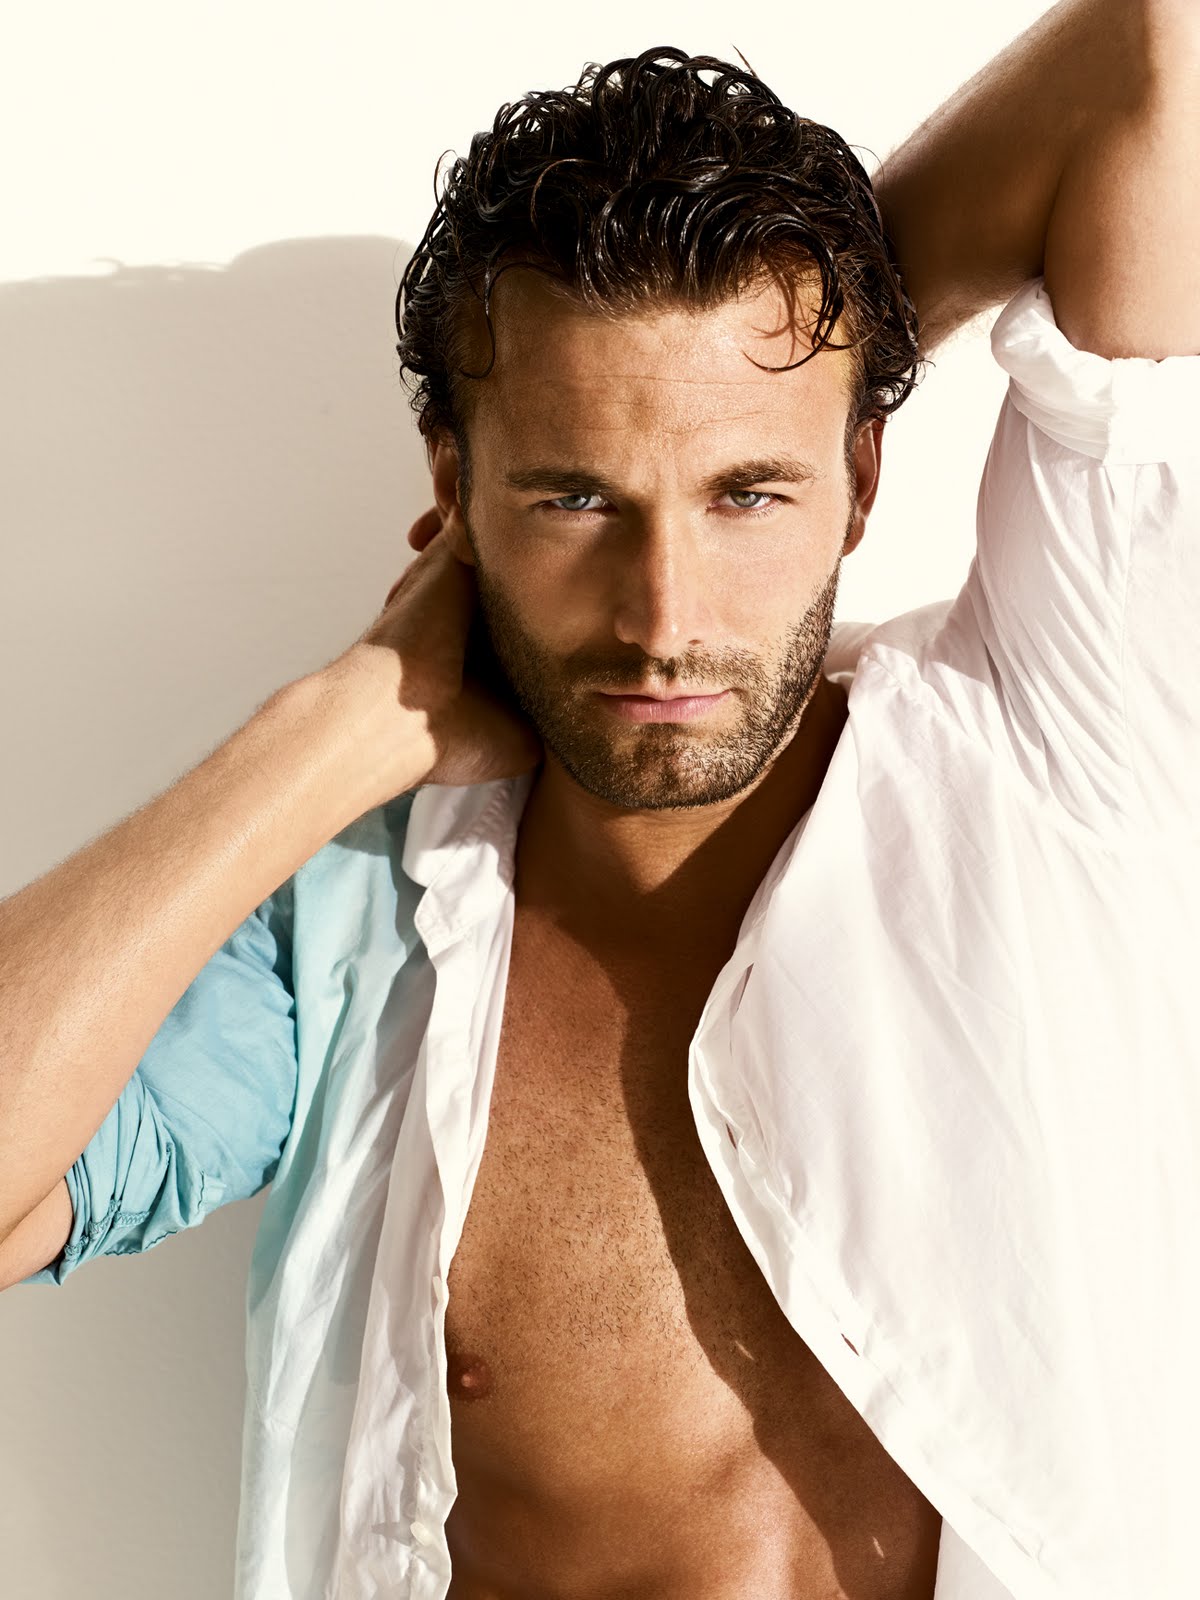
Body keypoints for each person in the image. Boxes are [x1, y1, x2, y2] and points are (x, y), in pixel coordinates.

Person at [3, 5, 1198, 1598]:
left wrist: (809, 323)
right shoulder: (362, 936)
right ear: (452, 486)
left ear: (863, 476)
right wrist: (337, 724)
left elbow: (1150, 55)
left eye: (749, 489)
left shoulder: (1061, 743)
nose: (663, 617)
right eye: (576, 496)